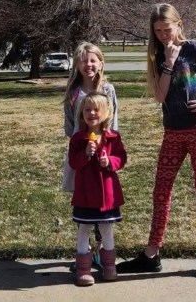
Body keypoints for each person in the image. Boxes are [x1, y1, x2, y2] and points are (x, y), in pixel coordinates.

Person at [116, 3, 196, 283]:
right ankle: (151, 254)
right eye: (157, 30)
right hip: (172, 132)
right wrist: (169, 64)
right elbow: (160, 97)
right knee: (161, 192)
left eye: (167, 29)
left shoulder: (194, 48)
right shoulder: (158, 55)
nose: (162, 35)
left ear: (178, 25)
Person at [61, 42, 119, 269]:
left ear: (101, 63)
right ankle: (83, 255)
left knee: (103, 204)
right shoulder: (73, 92)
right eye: (84, 60)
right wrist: (79, 144)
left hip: (103, 156)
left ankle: (101, 252)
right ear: (77, 64)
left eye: (93, 60)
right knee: (83, 203)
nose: (88, 65)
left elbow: (113, 121)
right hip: (81, 155)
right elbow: (69, 124)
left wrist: (109, 148)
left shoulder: (108, 89)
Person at [68, 91, 127, 286]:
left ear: (106, 113)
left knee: (106, 227)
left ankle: (109, 265)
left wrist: (108, 161)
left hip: (106, 195)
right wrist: (85, 154)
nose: (91, 113)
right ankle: (83, 268)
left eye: (96, 109)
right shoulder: (78, 138)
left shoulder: (113, 137)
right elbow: (74, 163)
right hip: (86, 193)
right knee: (83, 228)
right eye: (87, 110)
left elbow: (121, 158)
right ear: (81, 114)